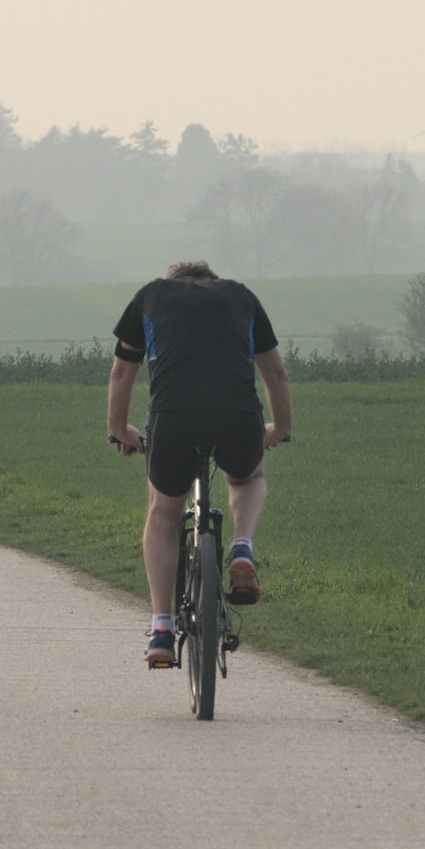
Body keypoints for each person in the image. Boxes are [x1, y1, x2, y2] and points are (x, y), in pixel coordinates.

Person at [107, 260, 292, 667]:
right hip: (237, 418)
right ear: (212, 282)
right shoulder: (241, 297)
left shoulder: (150, 298)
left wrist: (119, 429)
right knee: (247, 477)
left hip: (173, 421)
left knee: (163, 513)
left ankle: (160, 628)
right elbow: (276, 373)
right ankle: (242, 546)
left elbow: (122, 372)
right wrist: (280, 427)